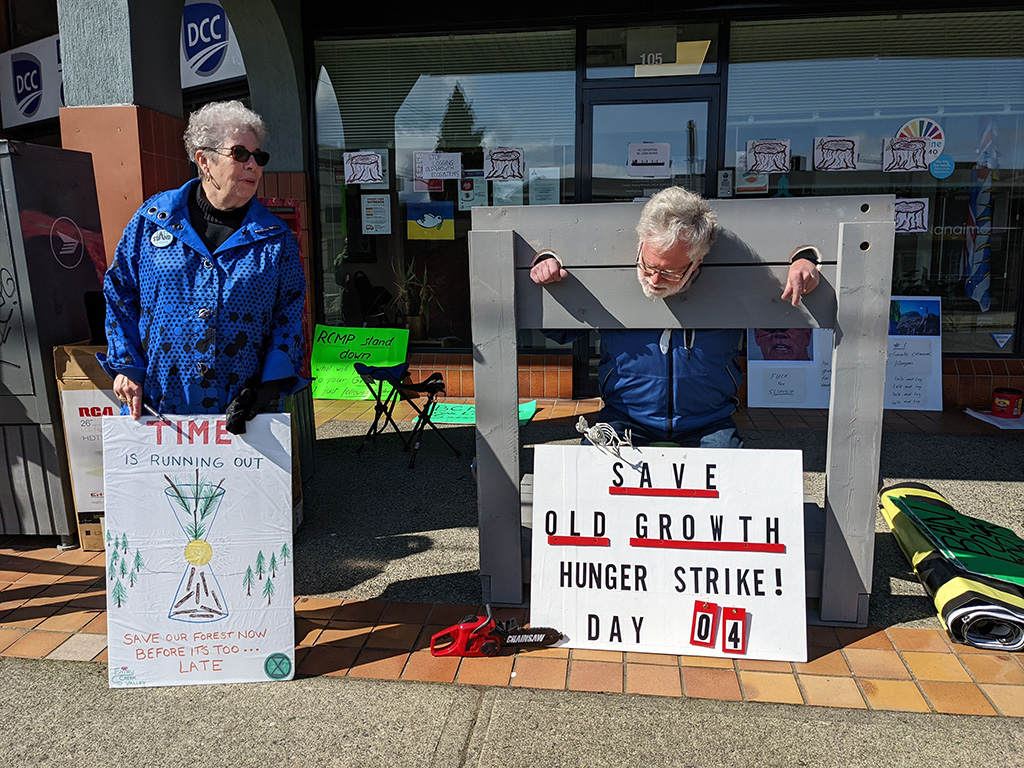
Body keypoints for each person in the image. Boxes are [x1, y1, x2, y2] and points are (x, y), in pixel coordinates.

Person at [530, 186, 820, 447]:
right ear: (640, 245)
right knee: (591, 476)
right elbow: (561, 332)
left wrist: (806, 258)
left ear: (697, 262)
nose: (654, 280)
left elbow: (787, 292)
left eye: (669, 271)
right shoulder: (612, 283)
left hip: (709, 422)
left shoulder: (736, 290)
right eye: (647, 265)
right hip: (625, 416)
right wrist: (546, 271)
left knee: (733, 486)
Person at [98, 100, 307, 433]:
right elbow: (119, 292)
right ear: (204, 160)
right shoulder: (153, 221)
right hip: (160, 404)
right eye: (240, 154)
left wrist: (269, 387)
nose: (253, 165)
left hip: (242, 408)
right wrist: (127, 367)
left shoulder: (275, 238)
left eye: (259, 157)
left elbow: (290, 313)